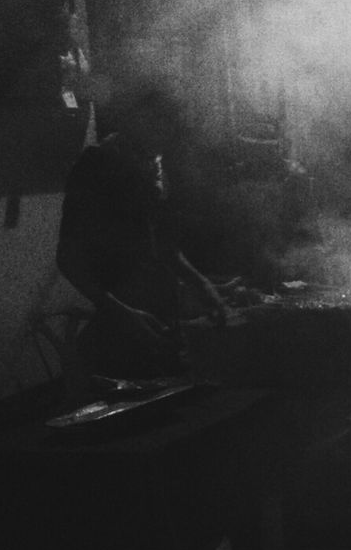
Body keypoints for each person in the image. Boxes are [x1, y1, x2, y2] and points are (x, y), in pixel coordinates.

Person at [57, 89, 230, 380]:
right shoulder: (97, 164)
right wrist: (122, 313)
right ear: (136, 120)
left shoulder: (156, 166)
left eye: (172, 128)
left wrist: (202, 285)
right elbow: (68, 259)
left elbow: (165, 246)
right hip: (116, 338)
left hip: (161, 328)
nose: (168, 137)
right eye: (161, 125)